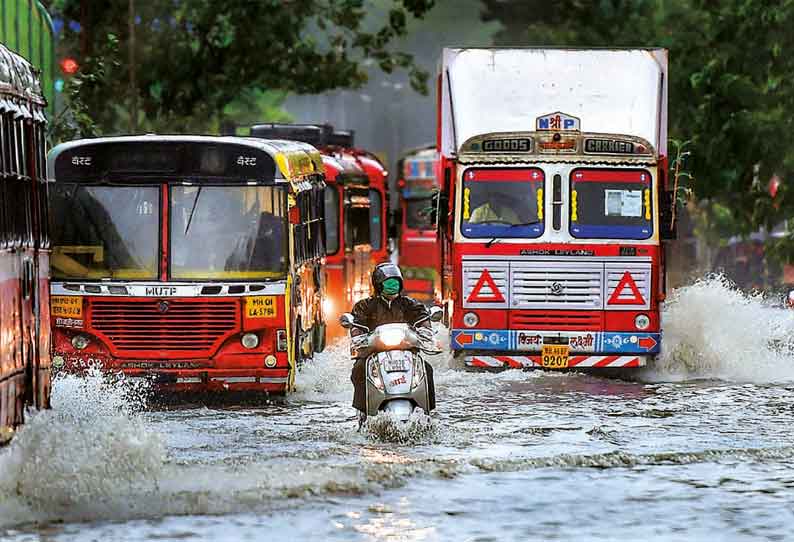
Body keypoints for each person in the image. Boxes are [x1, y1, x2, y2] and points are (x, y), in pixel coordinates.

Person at [350, 262, 435, 414]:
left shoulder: (410, 304)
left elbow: (423, 318)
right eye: (388, 283)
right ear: (378, 285)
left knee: (427, 368)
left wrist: (426, 331)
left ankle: (428, 411)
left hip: (406, 350)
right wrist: (357, 337)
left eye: (395, 283)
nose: (392, 286)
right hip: (373, 352)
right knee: (358, 370)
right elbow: (357, 324)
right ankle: (364, 412)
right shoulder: (365, 306)